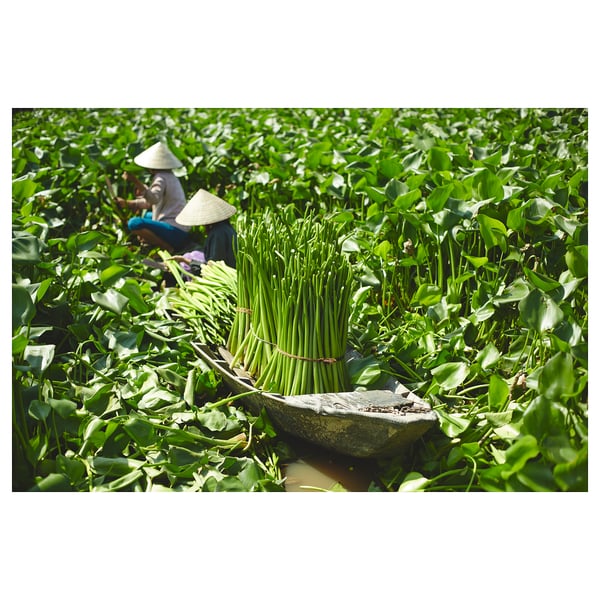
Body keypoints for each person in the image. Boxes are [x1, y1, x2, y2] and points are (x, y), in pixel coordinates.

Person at [116, 140, 191, 253]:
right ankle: (150, 240)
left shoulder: (161, 177)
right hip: (180, 228)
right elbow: (151, 203)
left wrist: (136, 182)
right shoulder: (170, 176)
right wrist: (127, 203)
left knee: (134, 223)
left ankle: (167, 247)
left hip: (175, 232)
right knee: (147, 215)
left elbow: (153, 199)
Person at [173, 189, 238, 270]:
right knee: (192, 254)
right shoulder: (226, 227)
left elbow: (213, 267)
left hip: (225, 272)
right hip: (228, 267)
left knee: (185, 264)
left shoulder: (217, 234)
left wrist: (184, 260)